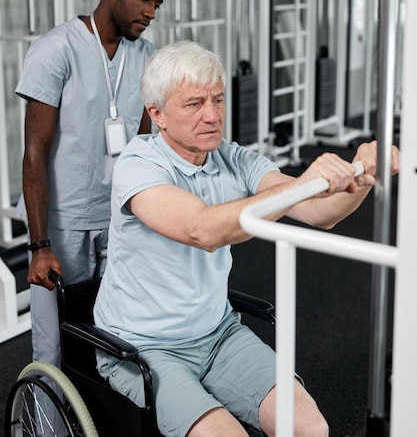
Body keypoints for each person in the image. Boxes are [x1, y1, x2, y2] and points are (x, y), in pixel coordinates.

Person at [93, 40, 400, 437]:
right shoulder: (137, 166)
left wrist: (361, 179)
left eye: (218, 100)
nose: (212, 115)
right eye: (194, 104)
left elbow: (316, 212)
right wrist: (304, 184)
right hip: (144, 349)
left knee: (310, 428)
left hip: (218, 333)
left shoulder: (233, 158)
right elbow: (201, 229)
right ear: (157, 114)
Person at [15, 0, 168, 368]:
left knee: (116, 333)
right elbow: (34, 154)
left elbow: (142, 146)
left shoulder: (146, 55)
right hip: (63, 224)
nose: (152, 12)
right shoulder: (56, 49)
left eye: (157, 3)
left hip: (118, 217)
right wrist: (41, 244)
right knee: (55, 342)